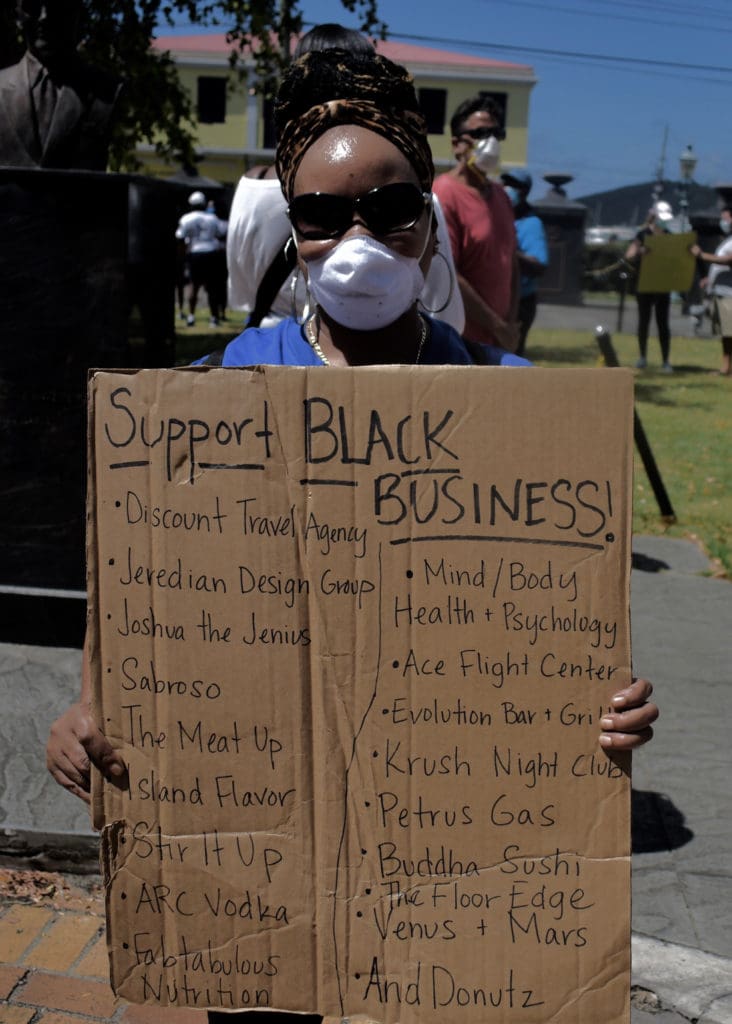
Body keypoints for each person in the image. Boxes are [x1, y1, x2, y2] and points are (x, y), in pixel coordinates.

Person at [46, 46, 659, 1023]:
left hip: (452, 844)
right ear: (295, 229)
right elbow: (135, 565)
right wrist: (89, 696)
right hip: (258, 855)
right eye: (323, 216)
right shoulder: (218, 392)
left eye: (391, 210)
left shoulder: (513, 410)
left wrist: (610, 709)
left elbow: (568, 627)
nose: (357, 238)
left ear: (429, 220)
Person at [225, 23, 464, 333]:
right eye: (318, 215)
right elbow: (446, 314)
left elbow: (243, 292)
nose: (357, 258)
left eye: (388, 209)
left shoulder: (251, 190)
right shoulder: (418, 196)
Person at [433, 94, 519, 351]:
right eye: (480, 133)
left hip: (500, 340)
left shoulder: (501, 195)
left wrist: (510, 325)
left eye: (495, 133)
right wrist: (497, 326)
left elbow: (511, 261)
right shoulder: (443, 194)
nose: (490, 141)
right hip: (459, 342)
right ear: (457, 144)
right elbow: (448, 273)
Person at [0, 0, 122, 170]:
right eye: (33, 7)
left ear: (77, 15)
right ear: (18, 16)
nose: (44, 17)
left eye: (57, 7)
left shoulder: (106, 90)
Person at [501, 167, 548, 355]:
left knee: (511, 354)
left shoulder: (531, 223)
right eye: (506, 183)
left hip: (521, 303)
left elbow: (539, 266)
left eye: (513, 185)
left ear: (525, 191)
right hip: (499, 301)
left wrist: (510, 252)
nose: (507, 188)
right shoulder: (500, 216)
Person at [624, 202, 674, 372]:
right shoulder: (642, 235)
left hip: (662, 284)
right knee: (643, 321)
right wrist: (640, 251)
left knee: (663, 323)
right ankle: (642, 357)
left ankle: (665, 361)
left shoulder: (669, 235)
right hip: (644, 283)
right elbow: (629, 255)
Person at [175, 189, 227, 326]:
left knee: (193, 285)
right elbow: (221, 233)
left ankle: (191, 316)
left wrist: (183, 255)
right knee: (212, 288)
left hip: (195, 253)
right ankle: (214, 318)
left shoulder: (186, 219)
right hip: (210, 253)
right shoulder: (212, 218)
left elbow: (180, 237)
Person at [690, 205, 732, 376]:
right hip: (721, 290)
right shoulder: (727, 239)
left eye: (726, 217)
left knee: (730, 331)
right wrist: (710, 279)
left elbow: (729, 260)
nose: (723, 221)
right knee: (726, 333)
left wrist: (702, 255)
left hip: (730, 293)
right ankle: (726, 368)